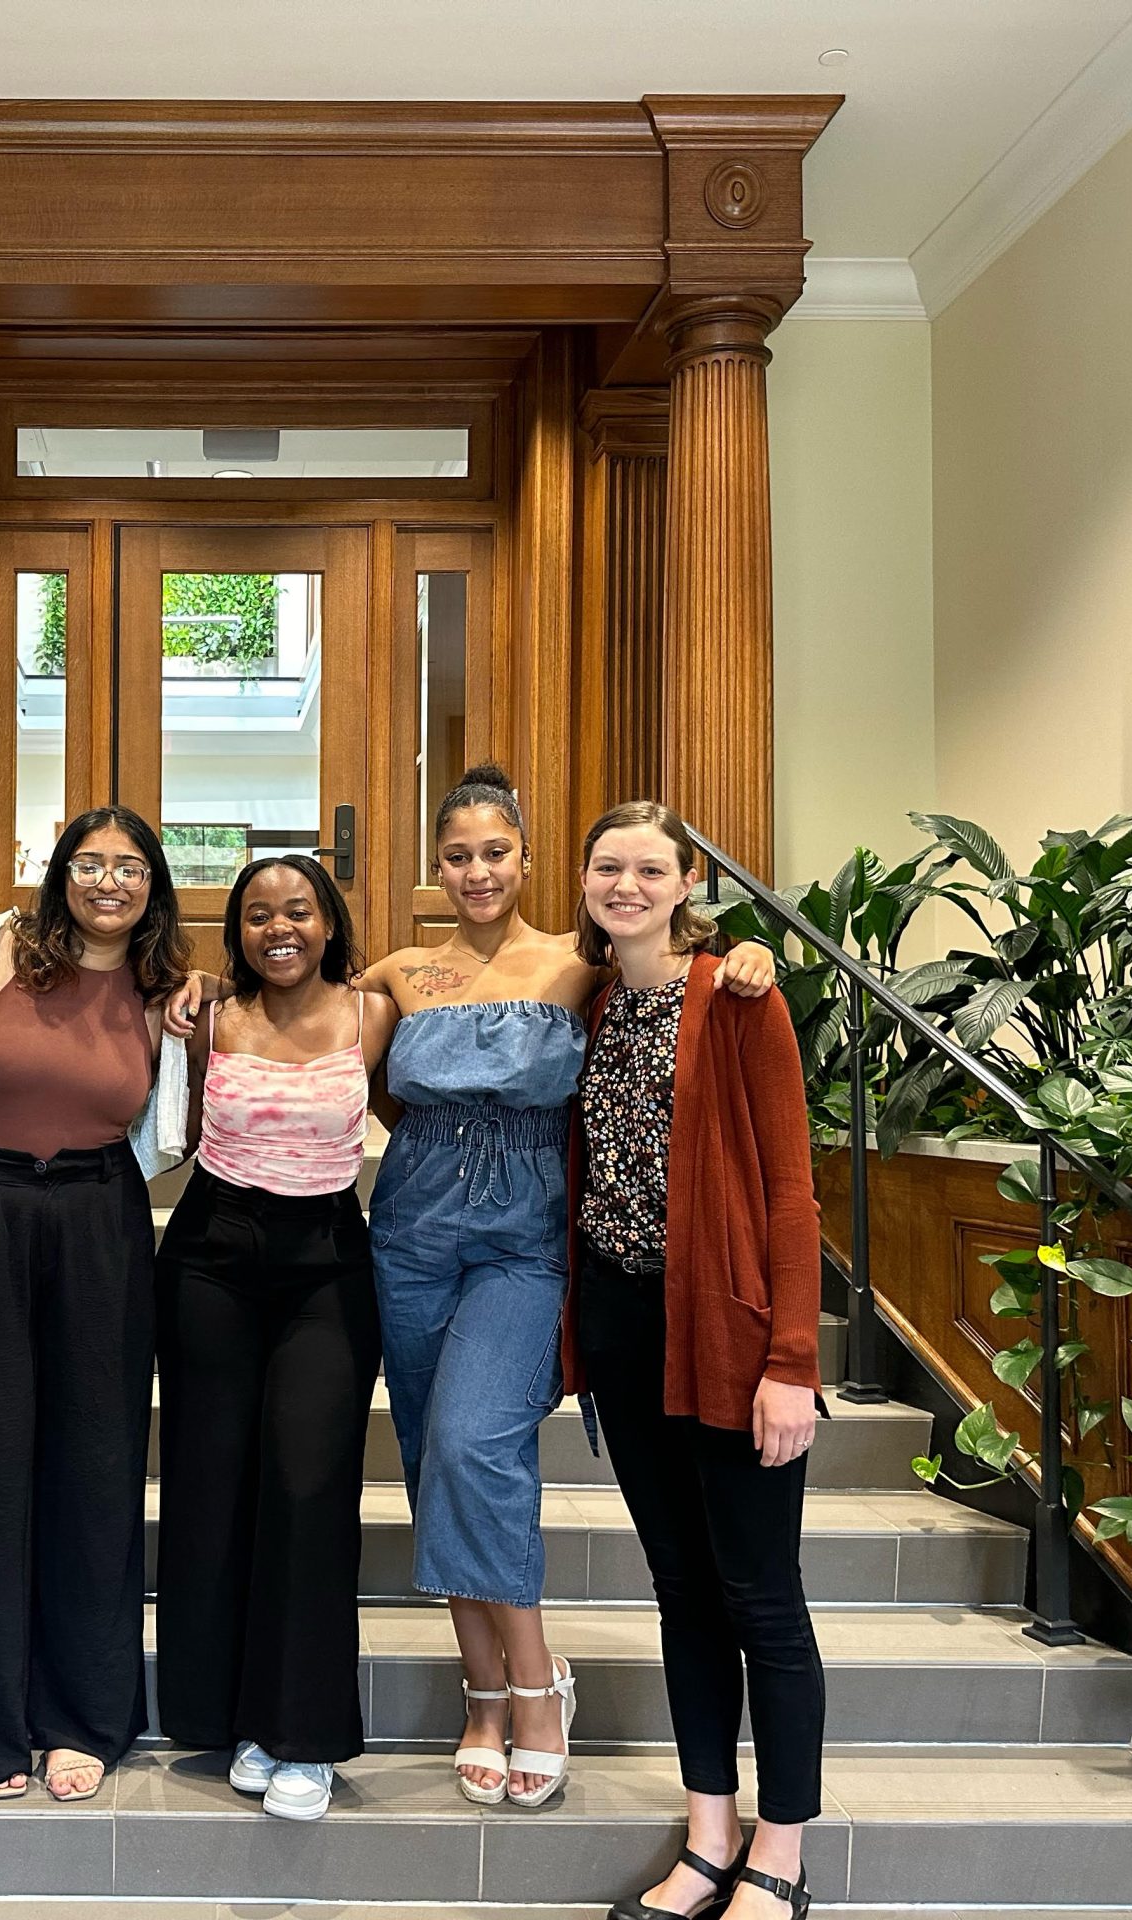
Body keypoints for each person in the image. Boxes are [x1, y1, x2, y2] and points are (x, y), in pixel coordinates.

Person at [353, 766, 772, 1812]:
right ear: (434, 866)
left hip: (526, 1240)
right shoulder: (399, 972)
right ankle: (481, 1693)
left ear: (528, 860)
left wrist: (740, 952)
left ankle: (538, 1684)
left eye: (496, 852)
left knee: (471, 1440)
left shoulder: (578, 967)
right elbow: (344, 1070)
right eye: (457, 855)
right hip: (410, 1232)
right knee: (425, 1456)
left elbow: (670, 972)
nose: (477, 870)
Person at [566, 801, 824, 1920]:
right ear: (584, 880)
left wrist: (791, 1359)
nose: (625, 884)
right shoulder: (589, 1004)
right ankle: (707, 1829)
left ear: (685, 883)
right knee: (682, 1589)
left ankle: (782, 1849)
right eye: (607, 865)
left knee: (760, 1596)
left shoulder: (736, 996)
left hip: (728, 1332)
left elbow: (789, 1188)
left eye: (648, 869)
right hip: (623, 1328)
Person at [0, 806, 190, 1803]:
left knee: (95, 1462)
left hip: (96, 1216)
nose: (109, 880)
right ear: (60, 871)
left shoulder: (165, 990)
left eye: (129, 867)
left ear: (153, 885)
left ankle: (82, 1717)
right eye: (92, 862)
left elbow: (169, 1125)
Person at [154, 855, 396, 1823]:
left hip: (326, 1262)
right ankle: (228, 1718)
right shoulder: (208, 1012)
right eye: (258, 915)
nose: (279, 928)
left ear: (329, 921)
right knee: (212, 1483)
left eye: (297, 911)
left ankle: (302, 1737)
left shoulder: (376, 1010)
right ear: (237, 931)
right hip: (212, 1253)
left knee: (307, 1485)